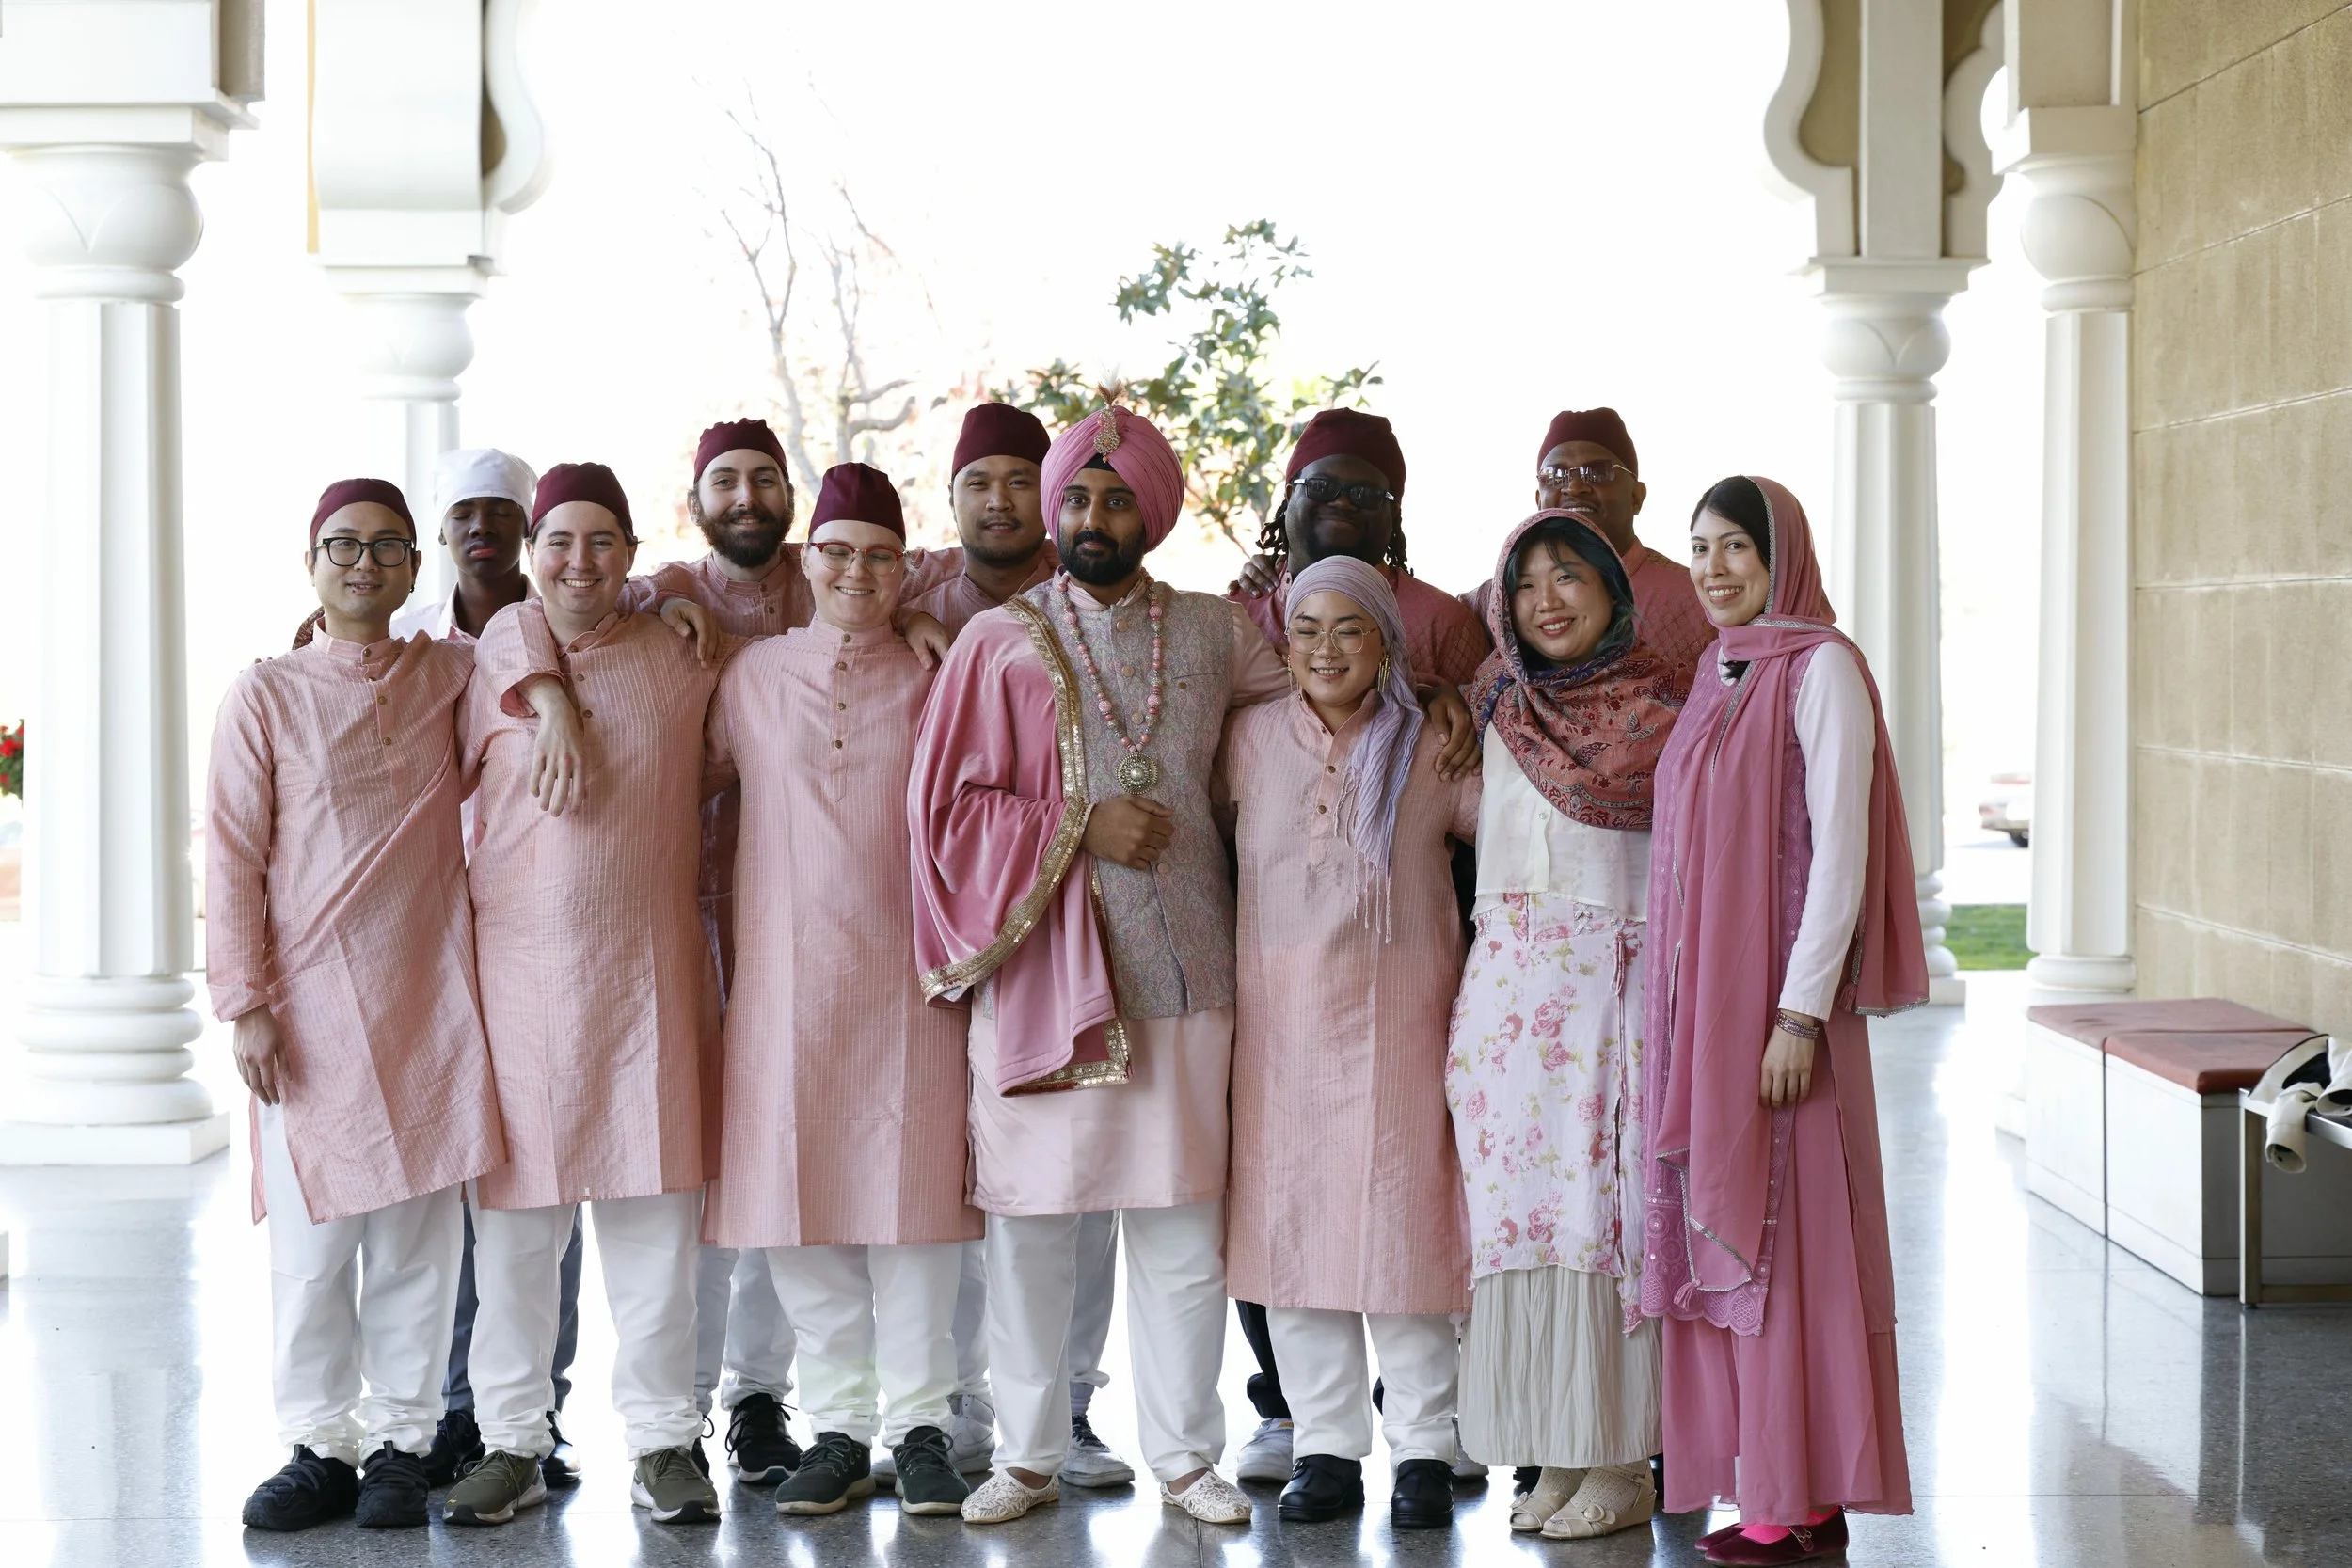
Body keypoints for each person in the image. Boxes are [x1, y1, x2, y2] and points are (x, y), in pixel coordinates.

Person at [909, 404, 1298, 1528]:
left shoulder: (1220, 632)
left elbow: (1310, 733)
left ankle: (1183, 1456)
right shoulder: (999, 640)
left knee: (1179, 1231)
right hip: (1041, 975)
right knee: (1033, 1224)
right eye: (1075, 497)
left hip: (1186, 969)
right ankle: (1027, 1453)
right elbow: (944, 809)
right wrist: (1079, 823)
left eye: (1117, 499)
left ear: (1153, 512)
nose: (1093, 517)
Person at [208, 478, 505, 1531]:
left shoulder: (447, 673)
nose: (364, 563)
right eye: (343, 545)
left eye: (386, 546)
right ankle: (317, 1445)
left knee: (420, 1249)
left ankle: (400, 1446)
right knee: (313, 1252)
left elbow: (532, 649)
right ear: (311, 563)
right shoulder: (266, 694)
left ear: (415, 567)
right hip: (307, 1010)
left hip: (429, 998)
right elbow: (233, 853)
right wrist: (245, 1001)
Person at [442, 461, 730, 1528]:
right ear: (532, 553)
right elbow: (501, 633)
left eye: (602, 540)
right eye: (558, 540)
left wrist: (674, 599)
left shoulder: (682, 656)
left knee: (656, 1241)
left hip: (649, 985)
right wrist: (548, 695)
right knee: (518, 1243)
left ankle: (664, 1440)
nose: (579, 561)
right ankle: (512, 1442)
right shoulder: (491, 658)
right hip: (520, 992)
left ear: (631, 554)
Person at [1642, 476, 1922, 1566]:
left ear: (1780, 557)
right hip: (1708, 1015)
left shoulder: (1822, 667)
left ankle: (1791, 1496)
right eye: (1700, 548)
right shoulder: (1722, 669)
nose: (1713, 569)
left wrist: (1797, 1014)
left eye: (1736, 549)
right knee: (1734, 1243)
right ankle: (1787, 1491)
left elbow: (1839, 851)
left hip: (1779, 1015)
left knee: (1790, 1245)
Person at [700, 462, 981, 1519]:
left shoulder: (939, 672)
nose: (857, 571)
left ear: (905, 569)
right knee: (801, 1200)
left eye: (880, 556)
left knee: (915, 1207)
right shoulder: (752, 674)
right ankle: (838, 1427)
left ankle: (920, 1426)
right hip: (784, 980)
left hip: (914, 980)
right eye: (838, 552)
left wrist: (926, 626)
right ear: (807, 560)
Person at [1222, 408, 1486, 1481]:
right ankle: (1325, 1445)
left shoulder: (1433, 747)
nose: (1327, 650)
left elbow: (1520, 838)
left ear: (1388, 643)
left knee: (1406, 1223)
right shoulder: (1244, 740)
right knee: (1293, 1230)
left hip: (1404, 1025)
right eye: (1307, 631)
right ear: (1283, 642)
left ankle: (1425, 1442)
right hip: (1278, 1030)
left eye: (1351, 631)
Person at [902, 401, 1135, 1486]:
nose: (998, 501)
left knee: (1081, 1180)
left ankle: (1070, 1408)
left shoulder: (1104, 597)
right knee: (965, 1182)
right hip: (935, 938)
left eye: (1017, 480)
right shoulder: (909, 593)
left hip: (1078, 933)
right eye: (976, 482)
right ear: (951, 499)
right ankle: (964, 1403)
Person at [1447, 508, 1683, 1540]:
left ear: (1612, 590)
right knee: (1523, 1227)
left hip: (1608, 996)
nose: (1546, 600)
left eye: (1569, 577)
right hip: (1506, 998)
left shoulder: (1664, 707)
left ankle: (1621, 1456)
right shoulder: (1494, 702)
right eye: (1526, 582)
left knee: (1603, 1219)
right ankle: (1558, 1445)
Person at [1228, 408, 1487, 689]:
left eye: (1366, 494)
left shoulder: (1442, 625)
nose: (1342, 502)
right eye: (1321, 486)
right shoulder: (1237, 614)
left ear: (1393, 512)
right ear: (1290, 494)